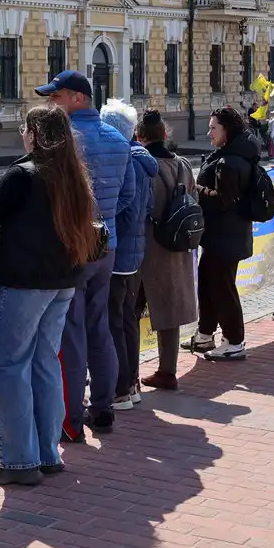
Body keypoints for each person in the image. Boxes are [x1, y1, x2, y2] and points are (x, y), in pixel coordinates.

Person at [0, 105, 96, 486]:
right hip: (63, 282)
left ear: (37, 134)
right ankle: (47, 453)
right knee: (45, 361)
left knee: (10, 365)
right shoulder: (73, 173)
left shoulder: (24, 173)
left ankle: (19, 461)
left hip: (27, 283)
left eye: (26, 129)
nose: (22, 135)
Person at [37, 70, 128, 440]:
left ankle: (71, 419)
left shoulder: (65, 140)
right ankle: (103, 408)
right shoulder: (118, 138)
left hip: (72, 246)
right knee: (99, 326)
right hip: (107, 244)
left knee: (71, 334)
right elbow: (128, 196)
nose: (51, 103)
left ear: (77, 98)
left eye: (56, 97)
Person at [98, 99, 156, 412]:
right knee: (128, 319)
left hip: (119, 252)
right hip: (135, 252)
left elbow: (124, 207)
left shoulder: (126, 160)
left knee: (115, 321)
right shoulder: (142, 159)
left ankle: (120, 388)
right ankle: (131, 382)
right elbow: (145, 208)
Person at [136, 110, 200, 391]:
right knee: (170, 309)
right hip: (178, 244)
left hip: (148, 246)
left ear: (139, 136)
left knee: (130, 310)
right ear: (165, 134)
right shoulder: (184, 164)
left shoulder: (142, 165)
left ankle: (126, 375)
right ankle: (167, 369)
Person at [189, 106, 258, 360]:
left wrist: (196, 189)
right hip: (222, 235)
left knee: (223, 288)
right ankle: (205, 334)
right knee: (208, 284)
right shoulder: (230, 154)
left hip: (225, 237)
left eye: (213, 128)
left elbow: (223, 201)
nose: (209, 133)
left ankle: (234, 340)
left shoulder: (230, 161)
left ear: (226, 130)